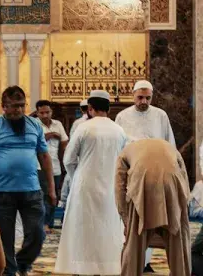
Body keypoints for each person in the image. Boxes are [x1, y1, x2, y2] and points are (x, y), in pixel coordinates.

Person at [0, 86, 54, 276]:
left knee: (37, 233)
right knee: (4, 238)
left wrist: (51, 188)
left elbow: (44, 157)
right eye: (14, 106)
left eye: (21, 105)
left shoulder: (34, 126)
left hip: (31, 190)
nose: (18, 110)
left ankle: (23, 263)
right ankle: (8, 271)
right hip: (1, 192)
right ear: (4, 107)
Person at [55, 90, 126, 275]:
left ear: (90, 109)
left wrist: (76, 175)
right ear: (109, 109)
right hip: (111, 187)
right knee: (108, 227)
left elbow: (69, 159)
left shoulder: (83, 128)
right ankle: (108, 268)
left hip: (85, 186)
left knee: (83, 228)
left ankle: (81, 269)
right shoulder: (119, 131)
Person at [115, 80, 176, 272]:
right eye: (140, 97)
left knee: (155, 217)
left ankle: (147, 262)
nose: (144, 101)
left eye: (148, 98)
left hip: (157, 175)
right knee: (135, 220)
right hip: (133, 174)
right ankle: (134, 261)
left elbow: (169, 144)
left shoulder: (161, 115)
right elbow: (119, 148)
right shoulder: (122, 117)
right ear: (133, 95)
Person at [116, 139, 190, 276]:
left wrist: (126, 220)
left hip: (143, 186)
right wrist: (183, 211)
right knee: (178, 246)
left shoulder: (125, 152)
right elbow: (184, 179)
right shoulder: (170, 147)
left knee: (134, 248)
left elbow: (119, 188)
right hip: (172, 184)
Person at [34, 100, 68, 232]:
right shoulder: (34, 125)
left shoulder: (58, 124)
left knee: (54, 195)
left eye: (47, 112)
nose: (45, 115)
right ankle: (43, 224)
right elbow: (35, 140)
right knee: (43, 195)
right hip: (39, 166)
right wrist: (51, 135)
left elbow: (64, 140)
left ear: (51, 112)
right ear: (37, 113)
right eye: (42, 113)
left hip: (56, 166)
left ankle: (51, 223)